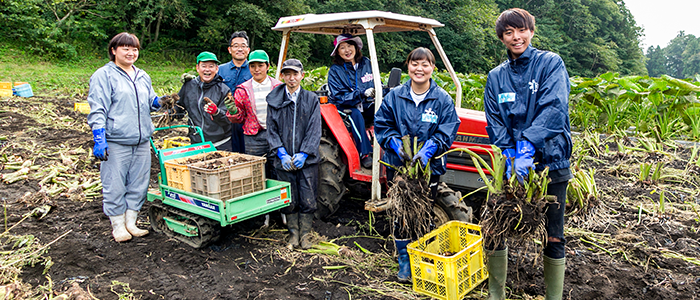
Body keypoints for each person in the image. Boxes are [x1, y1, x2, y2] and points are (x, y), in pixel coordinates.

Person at [482, 8, 572, 300]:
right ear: (501, 38)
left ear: (531, 32)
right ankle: (497, 295)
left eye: (521, 30)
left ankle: (553, 297)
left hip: (550, 160)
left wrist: (527, 146)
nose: (516, 37)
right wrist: (509, 152)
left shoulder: (550, 64)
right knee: (495, 227)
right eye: (508, 33)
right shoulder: (496, 77)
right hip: (510, 164)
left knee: (553, 235)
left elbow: (555, 109)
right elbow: (494, 119)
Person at [374, 47, 460, 282]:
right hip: (400, 168)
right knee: (400, 213)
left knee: (423, 212)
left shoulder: (442, 99)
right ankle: (404, 261)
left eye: (425, 64)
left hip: (428, 169)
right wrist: (393, 142)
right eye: (414, 64)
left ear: (432, 68)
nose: (419, 69)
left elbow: (448, 128)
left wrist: (430, 149)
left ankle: (420, 258)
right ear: (408, 67)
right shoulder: (395, 96)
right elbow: (382, 123)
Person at [87, 32, 158, 242]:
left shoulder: (142, 75)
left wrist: (160, 102)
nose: (131, 53)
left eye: (134, 49)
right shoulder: (104, 75)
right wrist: (99, 137)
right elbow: (98, 108)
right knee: (115, 183)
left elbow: (150, 100)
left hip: (142, 139)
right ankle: (117, 224)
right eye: (125, 48)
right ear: (113, 50)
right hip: (117, 139)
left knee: (139, 183)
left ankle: (131, 222)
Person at [266, 59, 321, 250]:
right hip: (284, 160)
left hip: (306, 160)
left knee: (307, 196)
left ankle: (305, 235)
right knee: (289, 198)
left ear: (302, 76)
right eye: (287, 74)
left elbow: (314, 129)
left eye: (295, 74)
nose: (291, 78)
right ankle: (293, 235)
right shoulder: (274, 100)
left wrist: (304, 153)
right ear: (282, 76)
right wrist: (280, 152)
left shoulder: (311, 99)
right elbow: (271, 129)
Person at [225, 50, 283, 177]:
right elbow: (239, 117)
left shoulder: (278, 87)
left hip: (276, 135)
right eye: (252, 66)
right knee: (257, 172)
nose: (256, 69)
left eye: (260, 65)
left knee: (278, 170)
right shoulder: (243, 89)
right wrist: (233, 111)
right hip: (253, 137)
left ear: (267, 66)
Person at [327, 34, 375, 168]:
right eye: (342, 48)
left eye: (349, 46)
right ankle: (365, 153)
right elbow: (339, 97)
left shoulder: (366, 63)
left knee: (384, 111)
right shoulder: (335, 71)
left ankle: (389, 147)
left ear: (356, 47)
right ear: (337, 52)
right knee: (355, 115)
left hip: (366, 104)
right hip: (344, 106)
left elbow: (377, 82)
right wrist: (361, 94)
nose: (347, 50)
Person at [173, 52, 233, 151]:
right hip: (197, 143)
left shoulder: (224, 90)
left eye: (211, 66)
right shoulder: (189, 86)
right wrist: (171, 111)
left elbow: (229, 120)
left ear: (216, 69)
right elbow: (179, 109)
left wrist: (216, 112)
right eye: (203, 66)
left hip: (220, 143)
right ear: (197, 68)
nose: (207, 69)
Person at [219, 31, 252, 153]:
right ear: (229, 49)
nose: (240, 49)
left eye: (243, 46)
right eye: (236, 46)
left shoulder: (254, 70)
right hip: (225, 121)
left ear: (248, 50)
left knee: (247, 153)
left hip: (247, 121)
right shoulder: (220, 70)